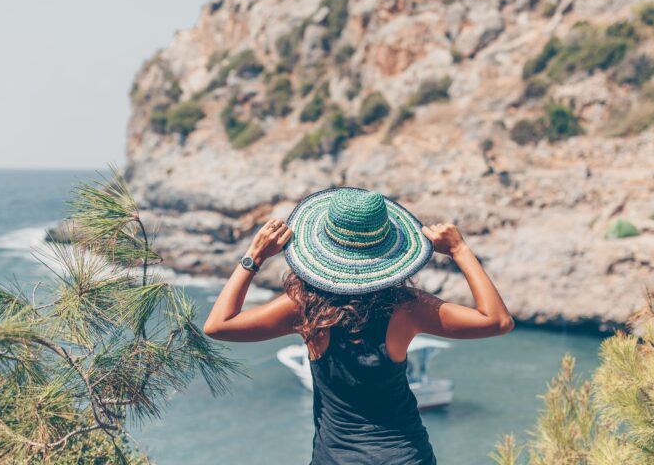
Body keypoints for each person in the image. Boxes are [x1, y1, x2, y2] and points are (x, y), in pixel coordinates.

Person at [204, 187, 514, 464]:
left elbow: (218, 325)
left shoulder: (305, 308)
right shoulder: (408, 307)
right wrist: (460, 250)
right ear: (388, 249)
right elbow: (497, 321)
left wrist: (254, 257)